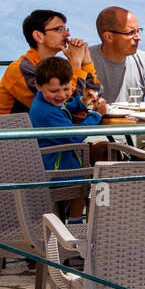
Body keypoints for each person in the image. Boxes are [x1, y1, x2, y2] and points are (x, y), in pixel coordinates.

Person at [29, 56, 107, 218]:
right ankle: (76, 222)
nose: (61, 95)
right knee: (94, 176)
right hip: (56, 168)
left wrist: (81, 102)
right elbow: (75, 137)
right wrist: (96, 115)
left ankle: (74, 220)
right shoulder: (47, 113)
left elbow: (63, 108)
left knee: (97, 159)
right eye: (54, 91)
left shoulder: (43, 103)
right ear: (38, 86)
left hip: (48, 161)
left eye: (66, 89)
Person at [0, 10, 98, 115]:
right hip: (13, 130)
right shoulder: (19, 70)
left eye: (66, 29)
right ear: (38, 36)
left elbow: (95, 95)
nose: (67, 34)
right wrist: (75, 64)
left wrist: (85, 62)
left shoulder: (54, 67)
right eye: (59, 29)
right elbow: (64, 107)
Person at [90, 6, 145, 105]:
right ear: (109, 36)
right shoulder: (85, 60)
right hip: (94, 120)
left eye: (138, 31)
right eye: (131, 32)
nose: (138, 38)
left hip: (135, 120)